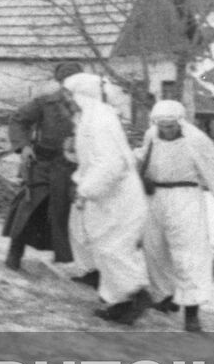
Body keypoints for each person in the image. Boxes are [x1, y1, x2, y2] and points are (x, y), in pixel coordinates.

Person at [136, 100, 214, 333]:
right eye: (162, 125)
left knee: (189, 253)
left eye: (171, 126)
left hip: (186, 197)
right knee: (154, 248)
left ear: (180, 121)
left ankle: (192, 310)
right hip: (155, 196)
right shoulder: (151, 135)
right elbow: (145, 159)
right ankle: (164, 295)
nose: (166, 130)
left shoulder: (197, 140)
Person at [62, 72, 151, 325]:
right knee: (105, 247)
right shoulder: (91, 119)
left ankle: (135, 294)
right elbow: (96, 159)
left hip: (119, 197)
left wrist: (85, 189)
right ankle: (120, 302)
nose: (68, 100)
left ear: (83, 95)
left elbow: (111, 163)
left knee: (114, 248)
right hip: (108, 197)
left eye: (70, 95)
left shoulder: (99, 121)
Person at [2, 62, 82, 272]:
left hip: (72, 167)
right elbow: (18, 120)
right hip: (43, 163)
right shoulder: (45, 103)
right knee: (29, 205)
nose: (70, 86)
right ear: (60, 82)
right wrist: (24, 146)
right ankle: (15, 252)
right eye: (66, 81)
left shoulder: (88, 106)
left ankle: (75, 262)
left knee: (67, 211)